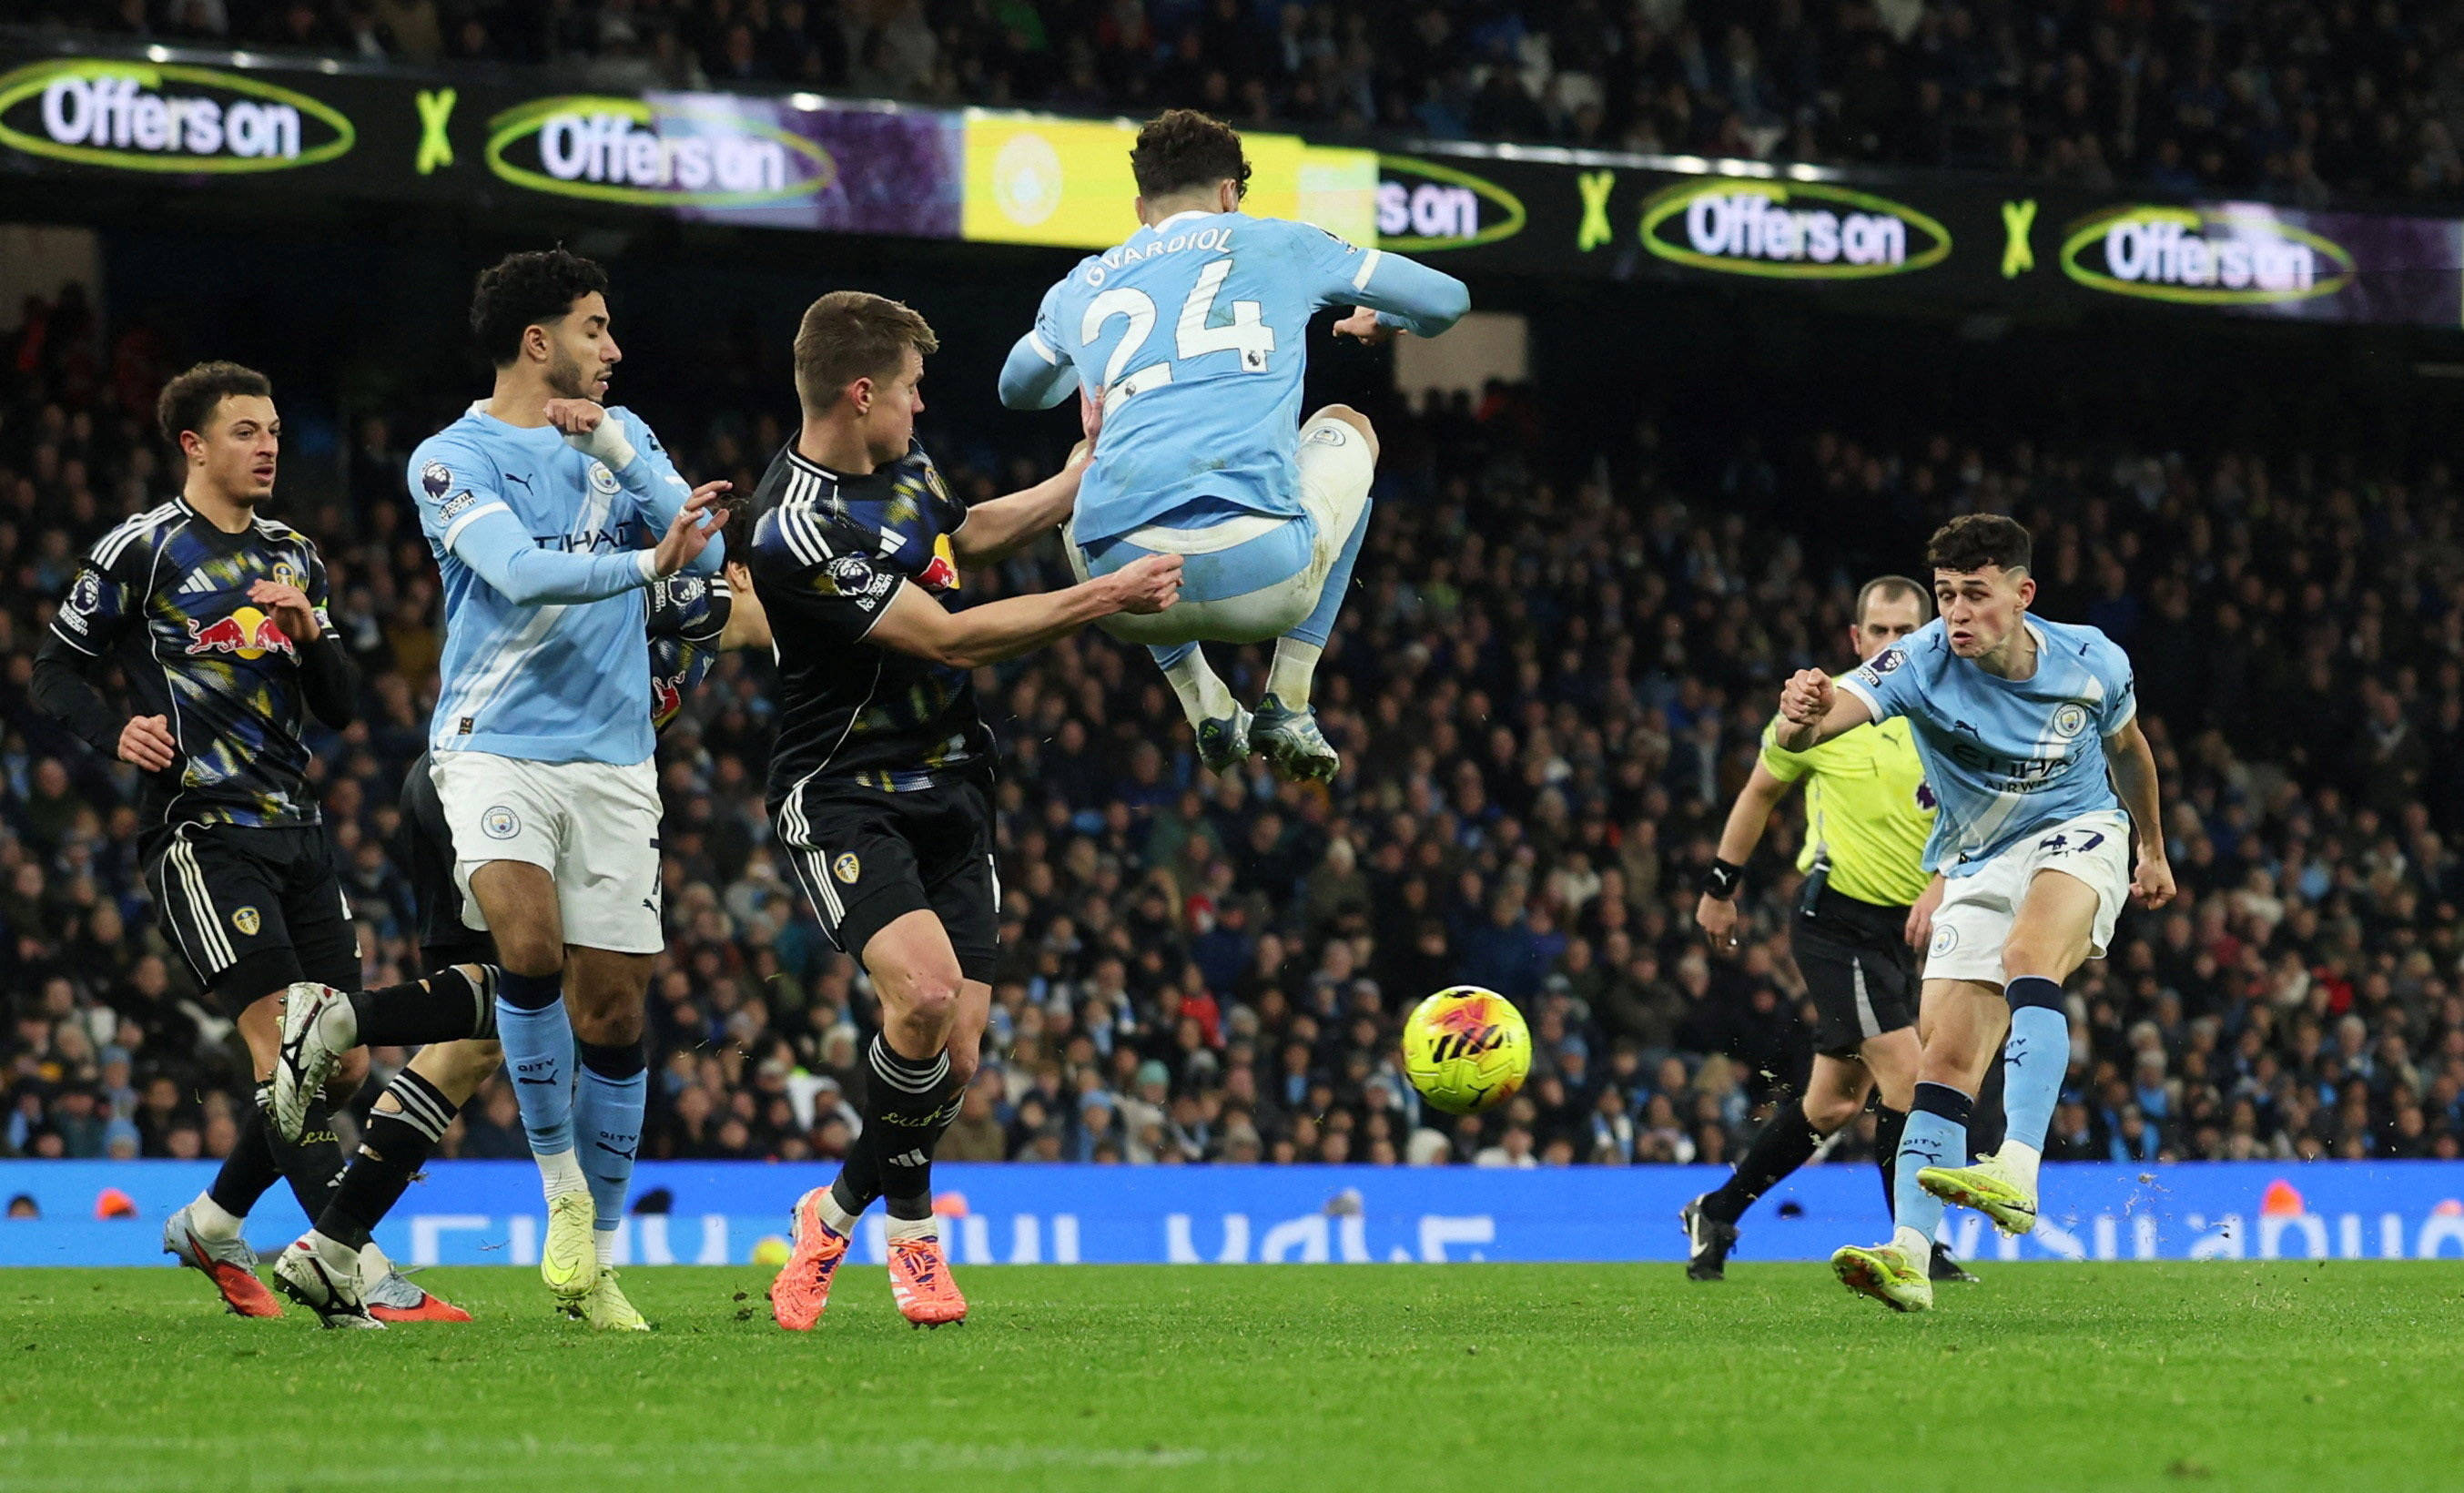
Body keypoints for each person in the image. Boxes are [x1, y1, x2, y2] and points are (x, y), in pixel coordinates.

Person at [281, 249, 729, 1330]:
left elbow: (706, 553)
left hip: (615, 759)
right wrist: (647, 564)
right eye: (593, 327)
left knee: (611, 1008)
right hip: (493, 745)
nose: (612, 347)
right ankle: (561, 1196)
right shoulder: (451, 457)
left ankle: (593, 1259)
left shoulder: (626, 438)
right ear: (539, 341)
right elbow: (522, 572)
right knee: (523, 953)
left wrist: (618, 453)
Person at [29, 361, 492, 1325]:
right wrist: (115, 731)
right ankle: (354, 1269)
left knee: (341, 1061)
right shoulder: (142, 549)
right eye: (245, 431)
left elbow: (341, 708)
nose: (269, 445)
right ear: (193, 445)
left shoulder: (293, 555)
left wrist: (311, 631)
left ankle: (213, 1220)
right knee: (284, 1040)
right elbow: (53, 671)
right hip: (202, 832)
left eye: (274, 429)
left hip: (299, 832)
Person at [754, 291, 1181, 1331]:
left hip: (952, 784)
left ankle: (831, 1209)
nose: (921, 404)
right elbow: (946, 636)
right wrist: (1105, 596)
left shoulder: (903, 462)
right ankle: (914, 1235)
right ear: (862, 394)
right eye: (910, 388)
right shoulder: (796, 529)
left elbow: (964, 534)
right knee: (926, 994)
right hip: (845, 792)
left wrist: (1074, 481)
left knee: (956, 1056)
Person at [1772, 514, 2173, 1313]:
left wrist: (2152, 850)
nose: (1957, 613)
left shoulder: (2091, 659)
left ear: (2022, 595)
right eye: (1947, 594)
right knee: (1942, 1064)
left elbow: (2127, 750)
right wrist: (1799, 710)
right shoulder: (1918, 662)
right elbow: (1815, 725)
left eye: (1976, 595)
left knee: (2028, 955)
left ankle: (2017, 1166)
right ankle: (1909, 1256)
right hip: (1977, 861)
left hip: (2079, 831)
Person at [997, 107, 1467, 781]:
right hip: (1264, 578)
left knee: (1084, 462)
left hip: (1123, 594)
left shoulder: (1081, 286)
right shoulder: (1281, 242)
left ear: (1140, 208)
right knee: (1350, 426)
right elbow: (1447, 299)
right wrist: (1384, 319)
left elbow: (1017, 391)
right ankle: (1290, 699)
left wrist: (1086, 366)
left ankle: (1203, 701)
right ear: (1228, 194)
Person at [1685, 575, 1978, 1285]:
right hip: (1835, 924)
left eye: (1903, 631)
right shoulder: (1831, 709)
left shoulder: (1953, 709)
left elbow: (1980, 812)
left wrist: (1943, 881)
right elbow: (1760, 788)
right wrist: (1720, 886)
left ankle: (1716, 1211)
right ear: (1855, 638)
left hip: (1903, 933)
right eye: (1877, 631)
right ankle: (1916, 1245)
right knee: (1908, 1076)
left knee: (1833, 1103)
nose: (1890, 643)